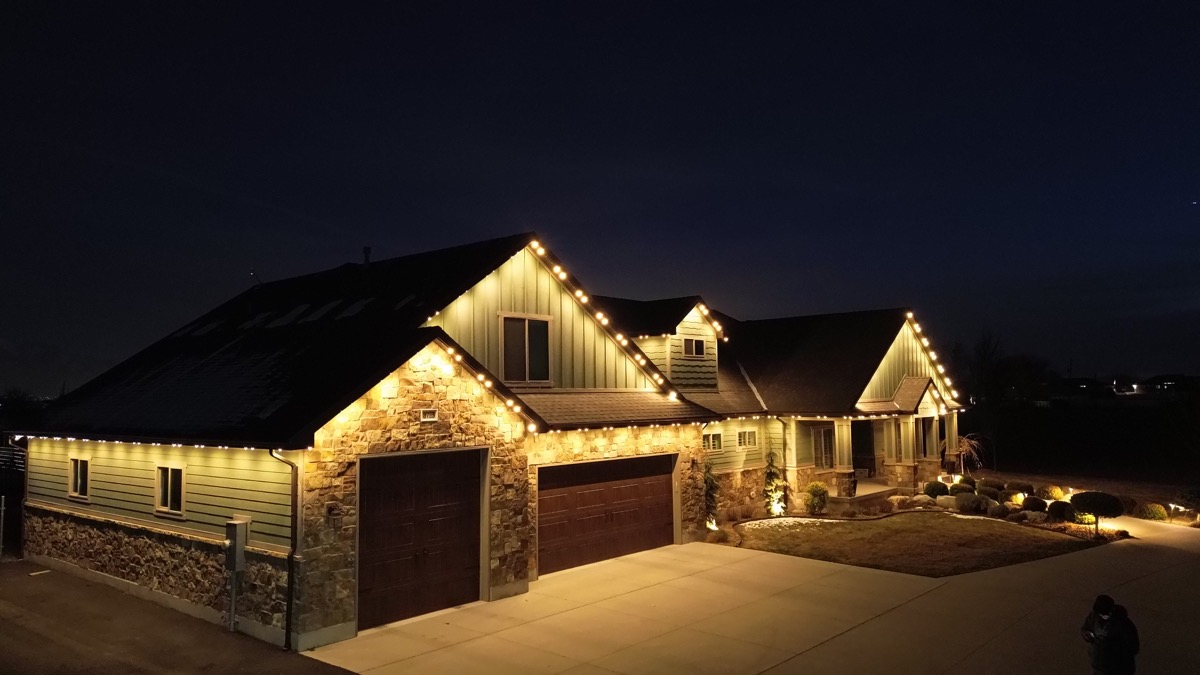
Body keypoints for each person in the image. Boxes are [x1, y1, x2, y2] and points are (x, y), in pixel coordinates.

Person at [1081, 594, 1140, 674]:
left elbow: (1133, 646)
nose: (1105, 616)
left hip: (1116, 668)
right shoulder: (1094, 617)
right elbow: (1085, 628)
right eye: (1102, 614)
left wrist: (1112, 647)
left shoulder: (1123, 623)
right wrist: (1087, 635)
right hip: (1097, 664)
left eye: (1108, 613)